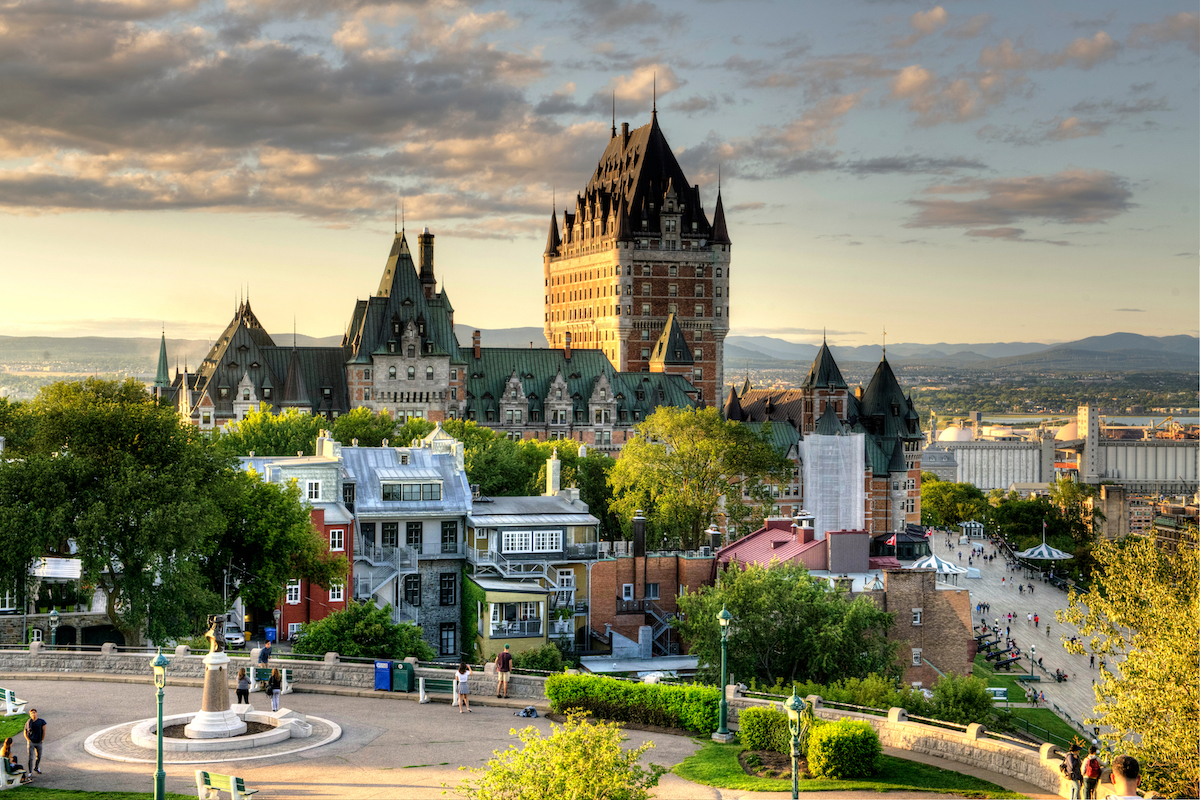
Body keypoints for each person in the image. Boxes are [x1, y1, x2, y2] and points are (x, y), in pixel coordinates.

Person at [23, 709, 45, 775]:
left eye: (34, 713)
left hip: (38, 741)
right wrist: (28, 739)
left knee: (39, 756)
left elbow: (44, 731)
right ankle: (30, 771)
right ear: (30, 715)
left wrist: (42, 739)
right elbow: (25, 731)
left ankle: (36, 767)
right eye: (32, 713)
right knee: (30, 757)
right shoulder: (28, 722)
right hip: (31, 742)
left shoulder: (41, 721)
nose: (33, 714)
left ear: (36, 713)